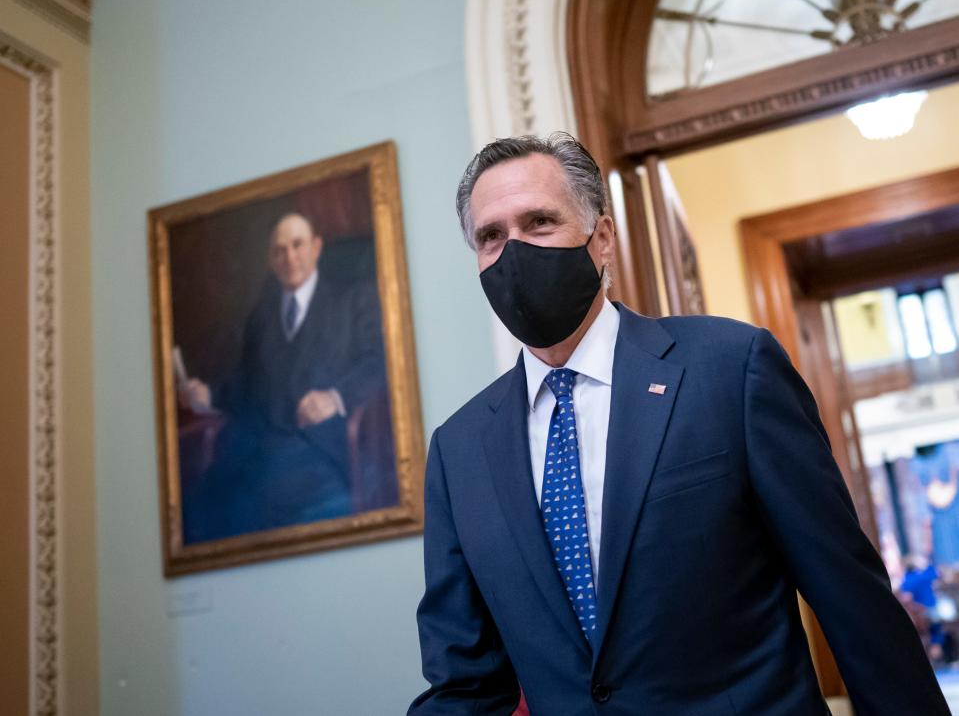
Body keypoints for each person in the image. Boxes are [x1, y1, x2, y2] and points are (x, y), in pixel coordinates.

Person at [409, 133, 949, 714]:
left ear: (603, 239)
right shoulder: (458, 450)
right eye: (492, 236)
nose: (514, 251)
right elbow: (466, 683)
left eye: (539, 222)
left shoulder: (731, 368)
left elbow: (850, 599)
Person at [179, 212, 386, 541]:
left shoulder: (351, 300)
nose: (289, 257)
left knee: (252, 506)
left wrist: (335, 398)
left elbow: (378, 363)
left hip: (319, 449)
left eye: (297, 245)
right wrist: (208, 394)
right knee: (196, 506)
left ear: (316, 248)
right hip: (260, 448)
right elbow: (245, 382)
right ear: (271, 260)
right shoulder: (261, 316)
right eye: (279, 250)